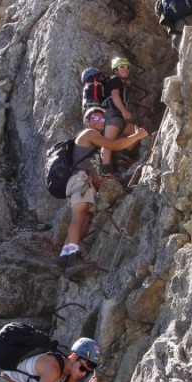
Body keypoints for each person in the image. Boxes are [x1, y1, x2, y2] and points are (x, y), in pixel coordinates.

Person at [58, 107, 148, 275]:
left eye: (101, 119)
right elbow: (113, 145)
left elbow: (88, 164)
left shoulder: (92, 140)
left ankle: (65, 257)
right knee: (79, 217)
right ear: (87, 121)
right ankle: (72, 256)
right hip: (80, 180)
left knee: (85, 220)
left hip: (85, 180)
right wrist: (137, 136)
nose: (99, 121)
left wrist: (100, 180)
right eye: (95, 118)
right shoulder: (89, 134)